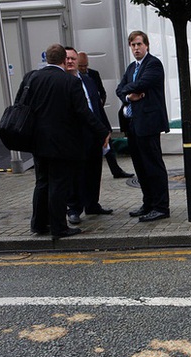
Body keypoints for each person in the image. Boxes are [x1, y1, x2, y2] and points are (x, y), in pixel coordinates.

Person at [23, 44, 110, 239]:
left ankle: (38, 223)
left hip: (38, 141)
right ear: (64, 60)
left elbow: (23, 105)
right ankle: (59, 227)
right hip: (62, 143)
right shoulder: (70, 82)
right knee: (58, 184)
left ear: (48, 59)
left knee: (42, 182)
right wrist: (102, 131)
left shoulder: (32, 78)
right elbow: (83, 112)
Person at [116, 30, 171, 222]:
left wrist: (128, 89)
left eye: (139, 44)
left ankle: (161, 207)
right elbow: (120, 89)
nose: (136, 48)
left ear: (146, 45)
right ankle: (148, 203)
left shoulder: (153, 64)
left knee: (153, 167)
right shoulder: (132, 67)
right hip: (132, 125)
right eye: (133, 45)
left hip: (149, 124)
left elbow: (143, 83)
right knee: (140, 168)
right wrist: (129, 96)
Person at [64, 47, 114, 226]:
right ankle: (74, 209)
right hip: (74, 136)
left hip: (94, 134)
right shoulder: (62, 82)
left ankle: (92, 204)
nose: (70, 62)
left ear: (78, 61)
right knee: (76, 174)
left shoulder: (88, 80)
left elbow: (97, 107)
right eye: (67, 59)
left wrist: (105, 130)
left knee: (94, 171)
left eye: (73, 58)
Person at [77, 52, 134, 179]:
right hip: (86, 118)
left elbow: (102, 92)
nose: (84, 68)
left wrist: (99, 103)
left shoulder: (92, 75)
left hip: (97, 114)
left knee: (108, 141)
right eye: (81, 66)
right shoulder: (73, 78)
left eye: (86, 65)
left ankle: (115, 169)